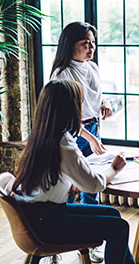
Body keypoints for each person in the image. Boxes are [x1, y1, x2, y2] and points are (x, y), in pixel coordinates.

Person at [9, 80, 136, 264]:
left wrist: (71, 181)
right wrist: (115, 168)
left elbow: (56, 174)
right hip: (47, 223)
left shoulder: (41, 134)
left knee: (113, 215)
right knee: (119, 228)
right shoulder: (63, 142)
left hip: (35, 216)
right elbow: (93, 185)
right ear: (70, 108)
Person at [49, 21, 110, 262]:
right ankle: (54, 245)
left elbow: (97, 95)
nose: (90, 46)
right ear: (69, 44)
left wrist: (104, 104)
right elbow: (63, 115)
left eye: (93, 42)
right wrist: (89, 136)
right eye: (85, 42)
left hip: (92, 127)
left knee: (89, 189)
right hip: (74, 132)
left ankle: (91, 240)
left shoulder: (92, 66)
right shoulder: (62, 73)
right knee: (68, 190)